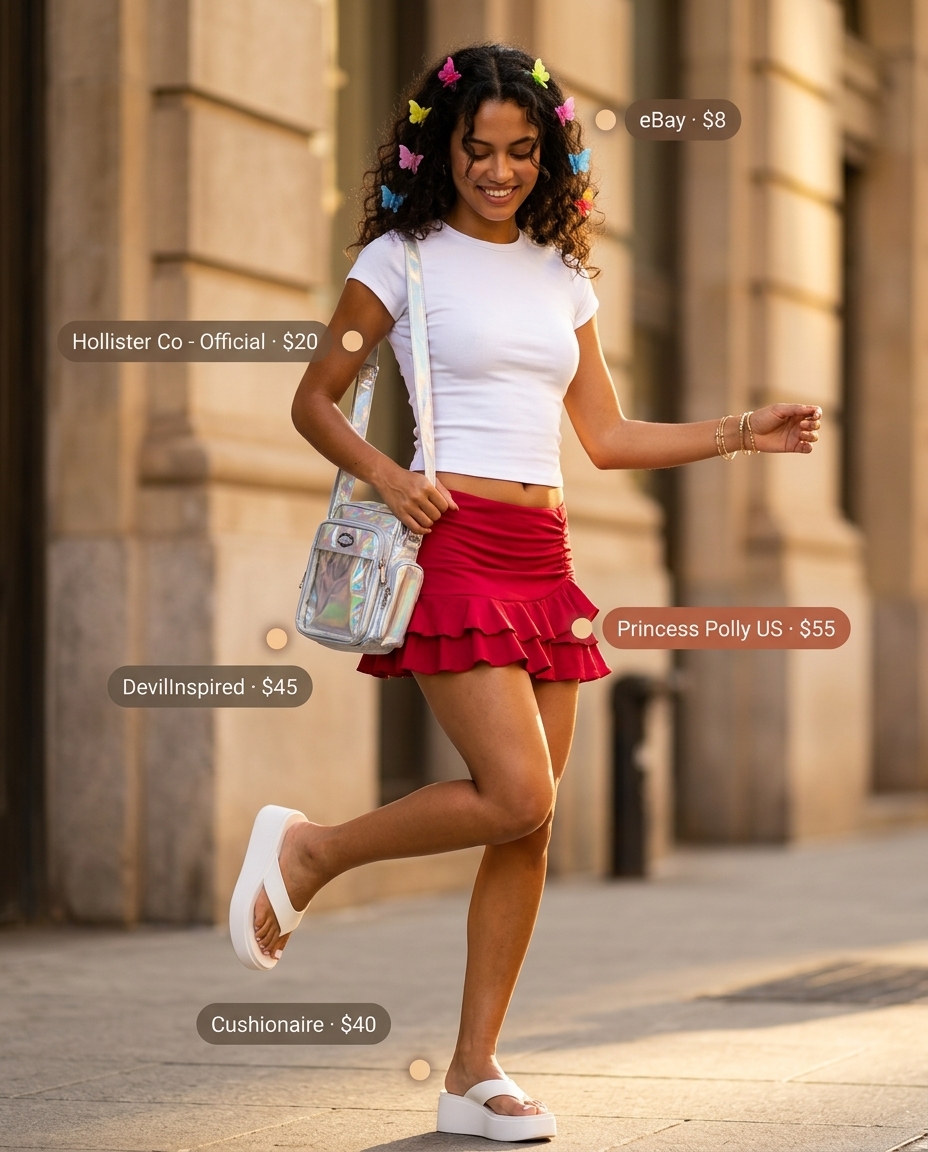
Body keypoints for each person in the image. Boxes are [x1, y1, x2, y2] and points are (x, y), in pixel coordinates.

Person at [234, 44, 821, 1142]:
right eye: (477, 150)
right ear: (440, 150)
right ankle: (309, 850)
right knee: (516, 792)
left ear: (545, 156)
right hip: (451, 542)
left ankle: (472, 1072)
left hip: (542, 561)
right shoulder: (399, 260)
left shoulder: (564, 278)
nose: (497, 172)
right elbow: (316, 400)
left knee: (530, 828)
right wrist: (390, 474)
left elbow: (603, 436)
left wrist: (742, 430)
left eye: (519, 152)